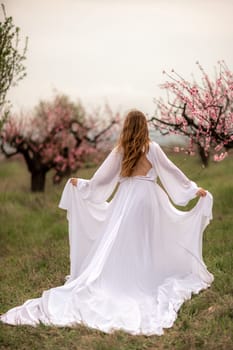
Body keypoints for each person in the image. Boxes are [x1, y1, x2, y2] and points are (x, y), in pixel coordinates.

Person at [0, 110, 213, 336]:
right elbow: (172, 172)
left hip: (125, 201)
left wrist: (83, 185)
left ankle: (125, 277)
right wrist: (191, 189)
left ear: (126, 127)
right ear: (144, 127)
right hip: (148, 200)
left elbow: (100, 181)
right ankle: (144, 275)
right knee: (147, 241)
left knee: (122, 240)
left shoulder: (119, 151)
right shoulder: (152, 148)